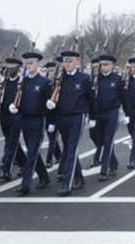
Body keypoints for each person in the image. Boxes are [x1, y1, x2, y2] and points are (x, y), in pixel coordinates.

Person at [46, 50, 91, 197]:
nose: (67, 64)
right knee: (68, 148)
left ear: (77, 62)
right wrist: (51, 119)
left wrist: (93, 117)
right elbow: (54, 99)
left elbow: (91, 99)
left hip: (77, 117)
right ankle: (78, 177)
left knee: (71, 149)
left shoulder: (84, 78)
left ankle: (67, 184)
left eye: (70, 61)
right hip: (62, 117)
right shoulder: (59, 79)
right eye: (65, 61)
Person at [11, 51, 53, 195]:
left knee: (32, 153)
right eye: (27, 63)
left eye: (31, 63)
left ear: (38, 64)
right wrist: (14, 106)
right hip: (24, 119)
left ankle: (25, 184)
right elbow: (18, 98)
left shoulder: (45, 82)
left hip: (37, 120)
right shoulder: (23, 81)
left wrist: (51, 121)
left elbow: (51, 104)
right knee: (33, 152)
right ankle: (44, 176)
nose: (29, 66)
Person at [89, 54, 126, 181]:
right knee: (101, 140)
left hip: (112, 112)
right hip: (98, 113)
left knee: (108, 139)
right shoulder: (95, 79)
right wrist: (91, 116)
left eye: (106, 65)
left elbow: (123, 97)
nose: (103, 67)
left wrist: (127, 113)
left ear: (112, 65)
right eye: (102, 65)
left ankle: (104, 169)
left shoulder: (117, 79)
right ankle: (113, 162)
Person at [0, 57, 27, 181]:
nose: (9, 69)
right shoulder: (4, 82)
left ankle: (6, 169)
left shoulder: (22, 82)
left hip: (16, 115)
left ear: (18, 68)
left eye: (12, 67)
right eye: (8, 67)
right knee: (10, 140)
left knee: (11, 142)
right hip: (4, 114)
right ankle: (24, 164)